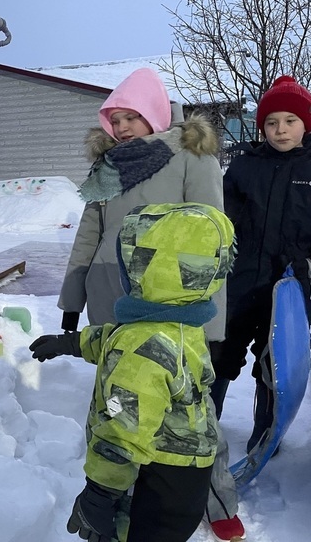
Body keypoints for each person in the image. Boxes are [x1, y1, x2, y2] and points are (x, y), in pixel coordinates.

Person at [54, 67, 245, 541]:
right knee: (119, 401)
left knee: (191, 412)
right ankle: (115, 494)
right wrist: (71, 302)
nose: (119, 128)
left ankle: (218, 502)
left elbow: (209, 246)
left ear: (155, 113)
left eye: (129, 117)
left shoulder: (190, 156)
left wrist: (214, 328)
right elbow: (88, 235)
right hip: (109, 292)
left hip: (171, 297)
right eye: (113, 119)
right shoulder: (109, 166)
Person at [31, 202, 235, 542]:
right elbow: (118, 340)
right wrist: (72, 343)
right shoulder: (180, 324)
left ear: (148, 268)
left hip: (155, 482)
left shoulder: (144, 345)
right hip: (184, 480)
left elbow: (123, 430)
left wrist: (99, 492)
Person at [211, 75, 311, 453]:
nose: (280, 130)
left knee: (274, 365)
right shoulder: (242, 168)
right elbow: (220, 221)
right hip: (239, 281)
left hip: (289, 288)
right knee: (219, 352)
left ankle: (266, 433)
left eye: (290, 121)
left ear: (306, 124)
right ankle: (203, 424)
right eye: (271, 122)